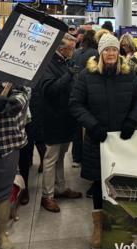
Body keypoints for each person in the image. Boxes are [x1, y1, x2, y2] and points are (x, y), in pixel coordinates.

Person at [69, 33, 137, 249]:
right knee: (100, 185)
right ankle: (99, 227)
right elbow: (75, 104)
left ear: (118, 52)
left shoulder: (129, 75)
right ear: (101, 53)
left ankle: (121, 223)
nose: (111, 53)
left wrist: (132, 120)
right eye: (107, 50)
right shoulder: (86, 75)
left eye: (114, 49)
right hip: (97, 139)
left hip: (123, 139)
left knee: (122, 183)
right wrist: (93, 126)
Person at [0, 21, 29, 249]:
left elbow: (25, 91)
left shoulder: (11, 69)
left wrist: (15, 103)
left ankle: (2, 233)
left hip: (7, 139)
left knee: (3, 192)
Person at [38, 33, 83, 213]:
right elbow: (49, 90)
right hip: (53, 118)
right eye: (71, 49)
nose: (73, 52)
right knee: (51, 158)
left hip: (66, 117)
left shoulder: (65, 62)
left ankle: (60, 187)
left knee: (61, 156)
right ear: (61, 48)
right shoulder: (48, 64)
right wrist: (69, 76)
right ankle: (46, 196)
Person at [71, 30, 98, 169]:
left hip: (75, 91)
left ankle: (76, 157)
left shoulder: (75, 53)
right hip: (90, 92)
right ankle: (87, 159)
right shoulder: (95, 53)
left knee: (77, 127)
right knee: (89, 127)